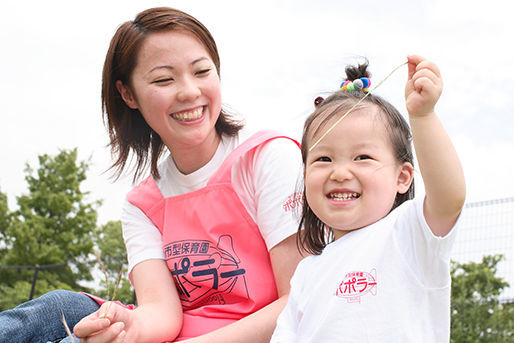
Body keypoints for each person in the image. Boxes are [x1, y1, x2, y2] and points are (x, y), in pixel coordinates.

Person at [0, 7, 305, 343]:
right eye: (164, 79)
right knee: (56, 306)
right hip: (175, 335)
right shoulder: (143, 203)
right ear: (128, 94)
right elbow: (161, 312)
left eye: (202, 71)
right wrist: (126, 327)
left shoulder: (267, 158)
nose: (189, 92)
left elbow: (299, 302)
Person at [270, 55, 466, 342]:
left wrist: (423, 116)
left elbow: (450, 197)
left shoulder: (410, 233)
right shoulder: (306, 273)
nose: (339, 172)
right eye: (323, 158)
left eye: (362, 157)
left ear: (402, 178)